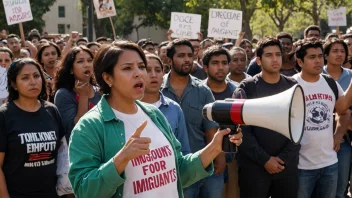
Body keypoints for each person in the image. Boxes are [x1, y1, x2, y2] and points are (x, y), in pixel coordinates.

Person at [67, 42, 243, 198]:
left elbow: (180, 170)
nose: (139, 74)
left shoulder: (154, 114)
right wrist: (121, 158)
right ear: (107, 78)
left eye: (141, 66)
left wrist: (214, 147)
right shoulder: (89, 126)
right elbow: (84, 191)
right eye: (127, 68)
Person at [233, 38, 301, 198]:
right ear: (258, 60)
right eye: (269, 55)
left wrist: (282, 159)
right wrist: (265, 160)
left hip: (286, 167)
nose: (275, 59)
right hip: (254, 168)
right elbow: (241, 130)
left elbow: (299, 125)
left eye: (278, 54)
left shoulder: (293, 87)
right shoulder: (246, 88)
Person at [161, 39, 224, 198]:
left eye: (190, 55)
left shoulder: (203, 91)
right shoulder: (157, 89)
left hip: (204, 162)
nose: (187, 59)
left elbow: (211, 129)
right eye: (181, 55)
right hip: (171, 169)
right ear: (169, 60)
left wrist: (219, 158)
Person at [293, 38, 352, 198]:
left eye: (320, 56)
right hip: (300, 166)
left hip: (329, 164)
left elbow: (343, 110)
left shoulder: (329, 83)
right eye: (312, 57)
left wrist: (338, 135)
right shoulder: (291, 85)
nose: (318, 60)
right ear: (300, 61)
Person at [0, 58, 66, 197]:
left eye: (36, 76)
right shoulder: (4, 115)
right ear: (14, 84)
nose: (33, 82)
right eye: (25, 78)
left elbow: (62, 155)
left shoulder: (52, 110)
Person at [201, 45, 240, 198]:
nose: (220, 67)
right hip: (206, 159)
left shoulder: (238, 91)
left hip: (234, 158)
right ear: (205, 67)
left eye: (224, 63)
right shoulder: (198, 91)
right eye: (215, 63)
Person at [141, 53, 191, 155]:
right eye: (148, 70)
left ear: (163, 73)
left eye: (158, 70)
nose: (154, 75)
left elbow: (184, 150)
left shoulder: (174, 108)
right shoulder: (129, 108)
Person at [321, 38, 351, 198]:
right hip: (319, 139)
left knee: (340, 188)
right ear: (325, 55)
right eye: (335, 51)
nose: (339, 54)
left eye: (342, 51)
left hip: (344, 140)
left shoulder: (351, 76)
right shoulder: (317, 75)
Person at [54, 46, 100, 140]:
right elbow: (77, 129)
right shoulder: (63, 94)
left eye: (90, 60)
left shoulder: (100, 92)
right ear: (71, 69)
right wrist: (83, 96)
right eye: (80, 61)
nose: (86, 65)